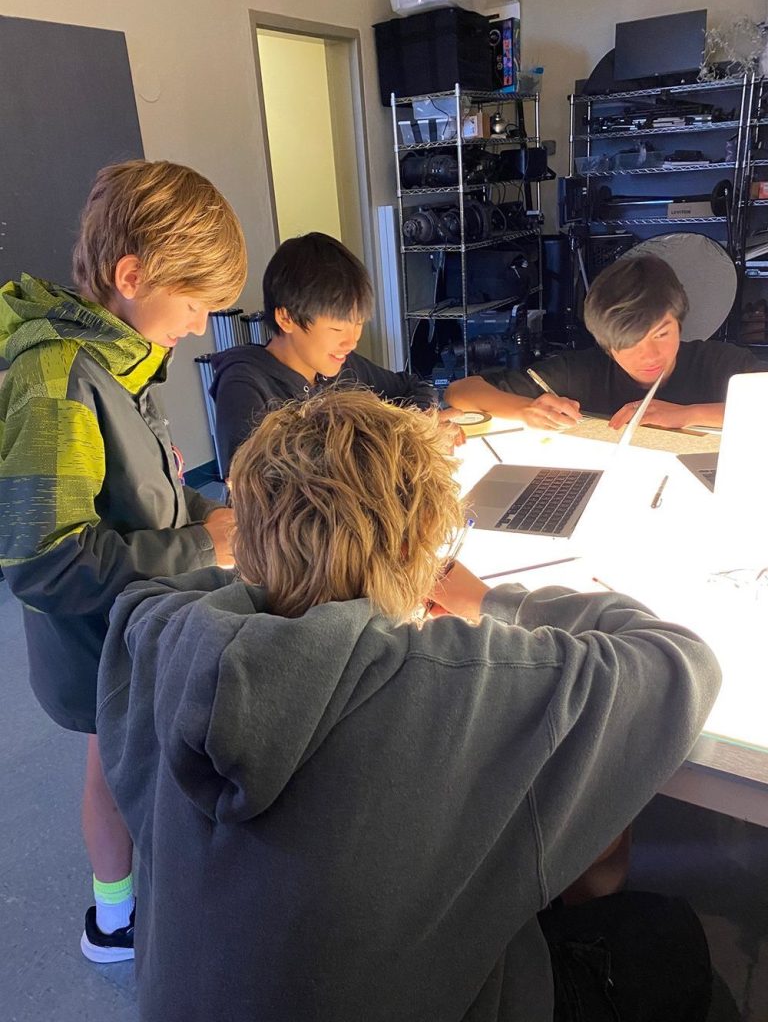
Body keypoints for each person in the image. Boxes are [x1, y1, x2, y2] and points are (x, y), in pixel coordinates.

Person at [97, 388, 720, 1022]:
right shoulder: (455, 682)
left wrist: (293, 572)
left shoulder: (155, 641)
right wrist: (492, 603)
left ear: (247, 535)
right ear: (417, 551)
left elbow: (182, 591)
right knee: (668, 934)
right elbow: (681, 662)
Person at [0, 160, 247, 962]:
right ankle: (112, 922)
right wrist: (200, 545)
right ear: (133, 275)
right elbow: (41, 561)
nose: (203, 327)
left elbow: (149, 485)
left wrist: (213, 514)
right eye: (196, 305)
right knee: (111, 774)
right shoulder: (59, 381)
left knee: (139, 768)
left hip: (141, 621)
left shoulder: (122, 354)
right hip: (96, 646)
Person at [210, 230, 460, 477]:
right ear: (286, 318)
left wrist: (422, 424)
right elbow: (266, 486)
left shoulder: (344, 367)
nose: (351, 341)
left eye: (359, 323)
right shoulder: (244, 384)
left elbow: (412, 387)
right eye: (337, 328)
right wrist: (406, 442)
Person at [446, 254, 766, 431]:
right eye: (629, 343)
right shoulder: (581, 372)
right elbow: (460, 391)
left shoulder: (717, 363)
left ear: (679, 321)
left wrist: (690, 414)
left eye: (662, 333)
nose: (650, 355)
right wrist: (527, 409)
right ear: (607, 345)